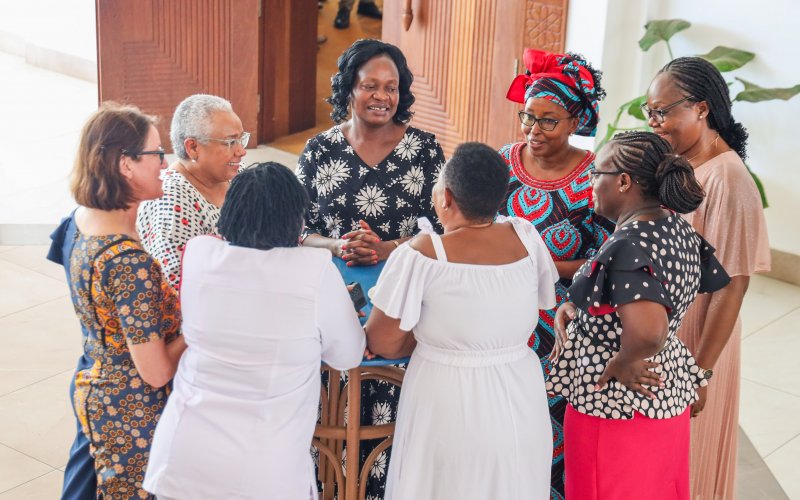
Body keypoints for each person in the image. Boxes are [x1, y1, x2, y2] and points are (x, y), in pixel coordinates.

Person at [143, 163, 366, 500]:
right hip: (264, 471)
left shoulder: (200, 254)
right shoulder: (314, 269)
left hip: (184, 457)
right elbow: (347, 354)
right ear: (296, 222)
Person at [366, 142, 559, 500]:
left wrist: (424, 329)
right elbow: (537, 300)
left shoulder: (421, 255)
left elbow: (383, 342)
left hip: (448, 406)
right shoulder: (526, 237)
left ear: (447, 198)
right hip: (521, 400)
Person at [296, 38, 445, 498]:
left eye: (392, 87)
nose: (382, 96)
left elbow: (442, 232)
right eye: (370, 86)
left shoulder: (424, 151)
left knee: (388, 415)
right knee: (330, 411)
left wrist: (387, 248)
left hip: (402, 306)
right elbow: (298, 230)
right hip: (331, 300)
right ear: (348, 89)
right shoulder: (319, 151)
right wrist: (338, 245)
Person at [548, 131, 731, 499]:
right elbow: (648, 295)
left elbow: (648, 330)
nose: (591, 183)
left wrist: (622, 359)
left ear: (624, 181)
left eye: (596, 174)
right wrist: (580, 309)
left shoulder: (629, 242)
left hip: (617, 402)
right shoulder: (674, 226)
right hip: (662, 395)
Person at [644, 56, 771, 498]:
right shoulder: (678, 165)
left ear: (700, 109)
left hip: (698, 339)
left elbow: (733, 286)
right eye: (649, 112)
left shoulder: (728, 179)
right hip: (664, 334)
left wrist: (700, 372)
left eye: (663, 111)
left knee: (689, 462)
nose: (655, 123)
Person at [499, 48, 614, 498]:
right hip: (501, 315)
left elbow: (605, 260)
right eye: (529, 117)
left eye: (550, 120)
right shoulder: (502, 162)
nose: (534, 130)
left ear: (575, 122)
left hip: (562, 323)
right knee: (502, 418)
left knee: (552, 424)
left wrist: (534, 263)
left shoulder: (595, 178)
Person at [64, 102, 187, 499]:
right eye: (155, 154)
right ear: (125, 164)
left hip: (99, 387)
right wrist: (201, 327)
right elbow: (156, 372)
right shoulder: (128, 263)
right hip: (132, 410)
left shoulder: (84, 221)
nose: (165, 165)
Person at [137, 93, 248, 289]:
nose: (241, 151)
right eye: (230, 142)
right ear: (193, 147)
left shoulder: (235, 175)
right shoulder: (171, 199)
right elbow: (177, 286)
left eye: (241, 139)